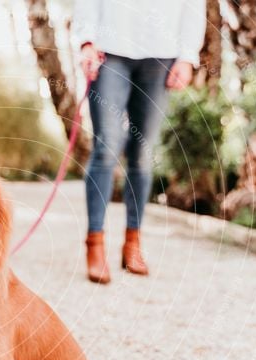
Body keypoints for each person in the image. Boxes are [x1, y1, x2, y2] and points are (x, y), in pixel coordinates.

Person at [73, 0, 206, 283]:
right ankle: (94, 244)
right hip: (110, 49)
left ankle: (133, 243)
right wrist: (87, 40)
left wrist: (187, 56)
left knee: (143, 153)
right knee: (106, 146)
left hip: (162, 54)